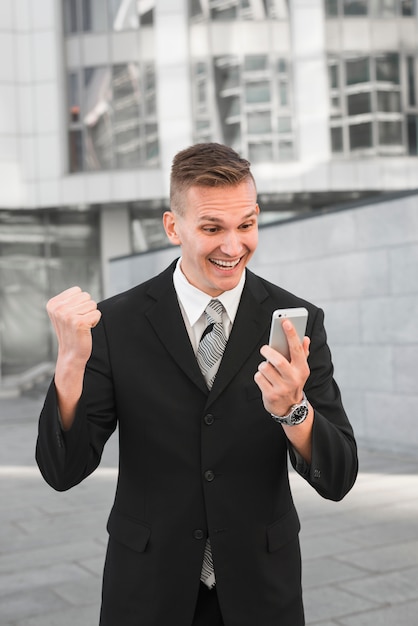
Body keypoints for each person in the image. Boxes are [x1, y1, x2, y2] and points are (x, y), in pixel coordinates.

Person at [36, 142, 358, 626]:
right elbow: (63, 470)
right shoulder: (116, 324)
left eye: (246, 225)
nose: (233, 247)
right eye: (212, 228)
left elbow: (340, 477)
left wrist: (296, 411)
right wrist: (69, 369)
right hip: (147, 589)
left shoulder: (298, 321)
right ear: (173, 227)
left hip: (261, 591)